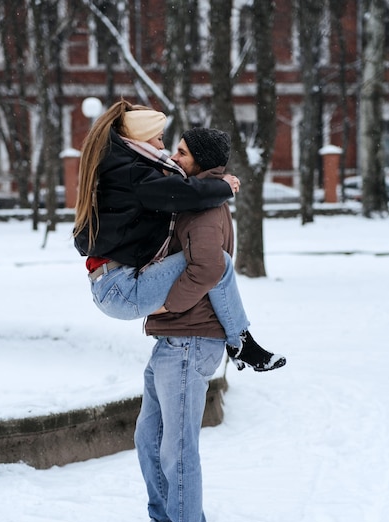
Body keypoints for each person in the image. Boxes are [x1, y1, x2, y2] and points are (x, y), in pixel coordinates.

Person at [120, 128, 285, 522]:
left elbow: (210, 268)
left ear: (202, 160)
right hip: (175, 339)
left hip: (190, 339)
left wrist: (167, 305)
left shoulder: (205, 208)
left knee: (177, 446)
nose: (174, 155)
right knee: (149, 437)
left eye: (182, 151)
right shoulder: (193, 197)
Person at [74, 98, 284, 370]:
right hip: (121, 289)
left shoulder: (122, 168)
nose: (163, 147)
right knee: (218, 263)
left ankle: (241, 341)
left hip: (112, 284)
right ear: (140, 138)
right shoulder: (132, 173)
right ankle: (241, 341)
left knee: (215, 262)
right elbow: (181, 193)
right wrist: (221, 186)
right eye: (159, 138)